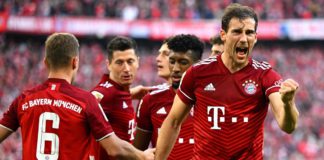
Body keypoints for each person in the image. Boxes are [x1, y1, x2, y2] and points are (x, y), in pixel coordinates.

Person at [155, 3, 299, 160]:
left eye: (249, 33)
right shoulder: (197, 73)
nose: (244, 39)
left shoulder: (265, 75)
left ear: (256, 38)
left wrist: (288, 103)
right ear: (223, 35)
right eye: (237, 32)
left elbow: (288, 126)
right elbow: (173, 121)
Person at [0, 33, 154, 160]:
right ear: (75, 62)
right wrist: (143, 155)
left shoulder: (24, 99)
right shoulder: (85, 101)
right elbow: (115, 148)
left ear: (46, 63)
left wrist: (128, 94)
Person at [134, 34, 204, 160]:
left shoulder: (213, 100)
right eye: (172, 62)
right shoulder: (150, 100)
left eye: (183, 62)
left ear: (197, 65)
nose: (175, 69)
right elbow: (137, 152)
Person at [90, 36, 144, 159]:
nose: (126, 69)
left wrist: (130, 94)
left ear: (138, 62)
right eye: (119, 62)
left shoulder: (120, 92)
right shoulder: (104, 94)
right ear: (108, 65)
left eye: (130, 61)